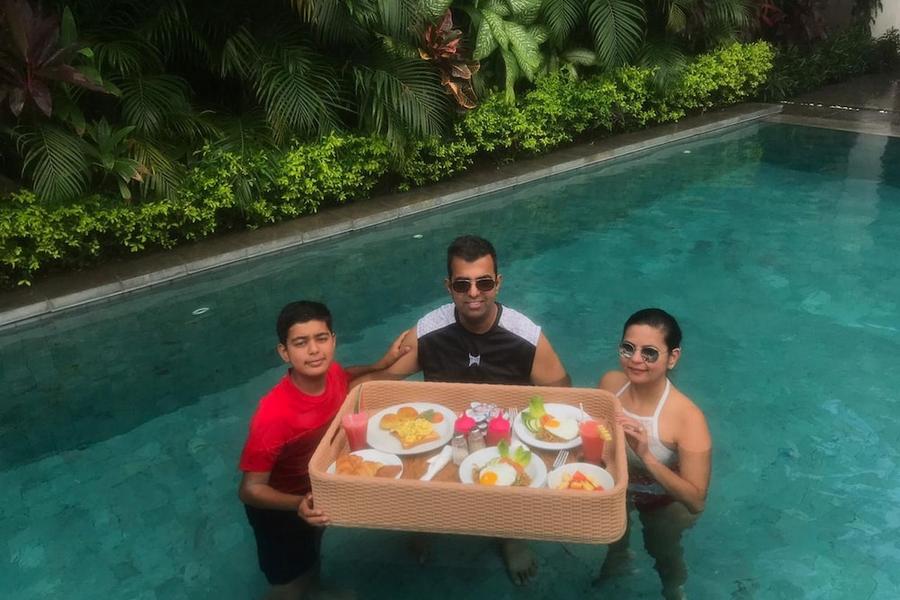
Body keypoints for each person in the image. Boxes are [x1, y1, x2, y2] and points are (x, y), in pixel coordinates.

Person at [364, 235, 571, 584]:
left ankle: (510, 534)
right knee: (410, 445)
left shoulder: (526, 336)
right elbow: (377, 385)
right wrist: (376, 365)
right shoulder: (429, 331)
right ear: (449, 287)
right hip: (444, 436)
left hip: (504, 437)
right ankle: (424, 520)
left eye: (484, 283)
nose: (474, 293)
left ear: (498, 283)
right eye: (463, 284)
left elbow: (562, 396)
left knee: (521, 456)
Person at [237, 301, 407, 600]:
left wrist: (379, 365)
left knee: (311, 551)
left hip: (314, 492)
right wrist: (298, 504)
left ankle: (314, 590)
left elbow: (346, 374)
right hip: (279, 508)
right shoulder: (274, 416)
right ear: (284, 352)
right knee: (288, 582)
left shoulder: (331, 375)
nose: (314, 350)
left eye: (321, 338)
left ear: (333, 340)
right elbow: (250, 490)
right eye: (301, 343)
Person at [596, 308, 712, 600]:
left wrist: (647, 456)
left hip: (664, 502)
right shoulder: (610, 385)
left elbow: (696, 501)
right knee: (614, 534)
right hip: (621, 488)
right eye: (628, 348)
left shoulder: (687, 417)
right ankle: (619, 559)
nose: (636, 359)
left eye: (649, 353)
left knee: (663, 554)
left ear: (672, 357)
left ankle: (674, 590)